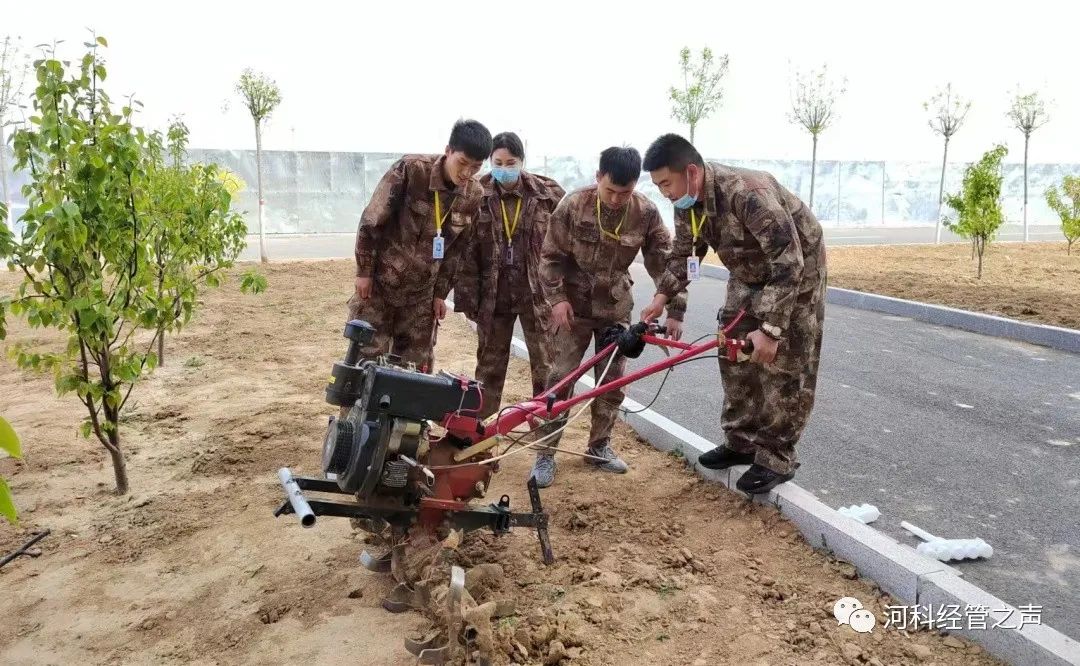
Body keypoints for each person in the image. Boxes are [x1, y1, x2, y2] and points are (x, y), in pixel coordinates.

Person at [640, 133, 827, 494]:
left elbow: (789, 263)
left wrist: (772, 330)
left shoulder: (747, 193)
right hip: (748, 272)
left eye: (667, 183)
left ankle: (776, 455)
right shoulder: (686, 204)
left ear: (691, 172)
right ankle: (740, 440)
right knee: (732, 346)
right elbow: (685, 256)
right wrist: (661, 297)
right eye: (658, 186)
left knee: (785, 362)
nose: (664, 192)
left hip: (798, 273)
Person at [531, 145, 687, 488]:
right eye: (610, 190)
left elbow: (666, 262)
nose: (616, 199)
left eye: (625, 192)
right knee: (560, 380)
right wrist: (556, 299)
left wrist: (675, 307)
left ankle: (598, 447)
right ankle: (545, 454)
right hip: (571, 309)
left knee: (612, 383)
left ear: (635, 186)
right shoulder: (572, 206)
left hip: (614, 309)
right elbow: (549, 258)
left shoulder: (644, 213)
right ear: (598, 178)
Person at [348, 119, 492, 373]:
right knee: (364, 362)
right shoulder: (412, 170)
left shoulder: (473, 195)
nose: (467, 173)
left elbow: (458, 250)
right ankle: (353, 414)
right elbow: (372, 220)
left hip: (421, 298)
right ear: (448, 151)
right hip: (380, 286)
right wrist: (364, 271)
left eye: (476, 167)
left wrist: (440, 293)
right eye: (462, 163)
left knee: (414, 371)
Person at [454, 132, 566, 419]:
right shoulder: (475, 192)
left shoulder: (547, 192)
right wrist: (468, 301)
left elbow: (567, 243)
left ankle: (543, 440)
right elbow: (464, 251)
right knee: (488, 370)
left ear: (522, 161)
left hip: (537, 295)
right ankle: (479, 437)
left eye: (510, 162)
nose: (504, 168)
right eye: (498, 162)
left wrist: (562, 295)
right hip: (494, 297)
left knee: (546, 369)